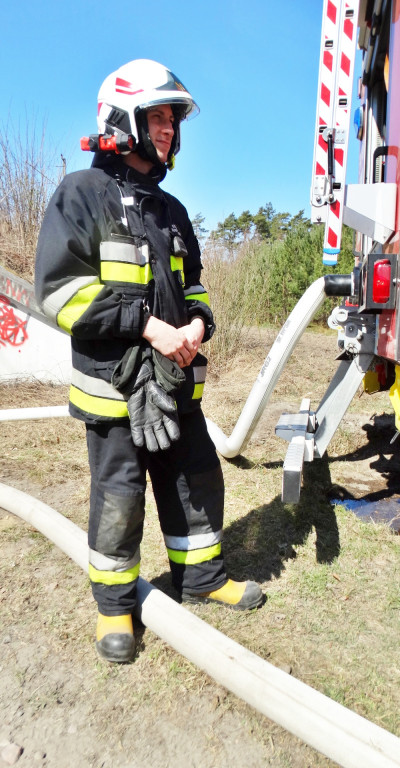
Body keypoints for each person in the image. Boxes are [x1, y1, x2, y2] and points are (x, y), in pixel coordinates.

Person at [35, 59, 263, 664]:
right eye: (157, 116)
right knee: (120, 495)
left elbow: (197, 292)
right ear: (122, 119)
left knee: (197, 479)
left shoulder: (172, 211)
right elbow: (59, 294)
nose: (167, 130)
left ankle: (202, 580)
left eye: (172, 120)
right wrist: (148, 326)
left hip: (177, 386)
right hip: (113, 392)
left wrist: (194, 324)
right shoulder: (79, 196)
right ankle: (115, 608)